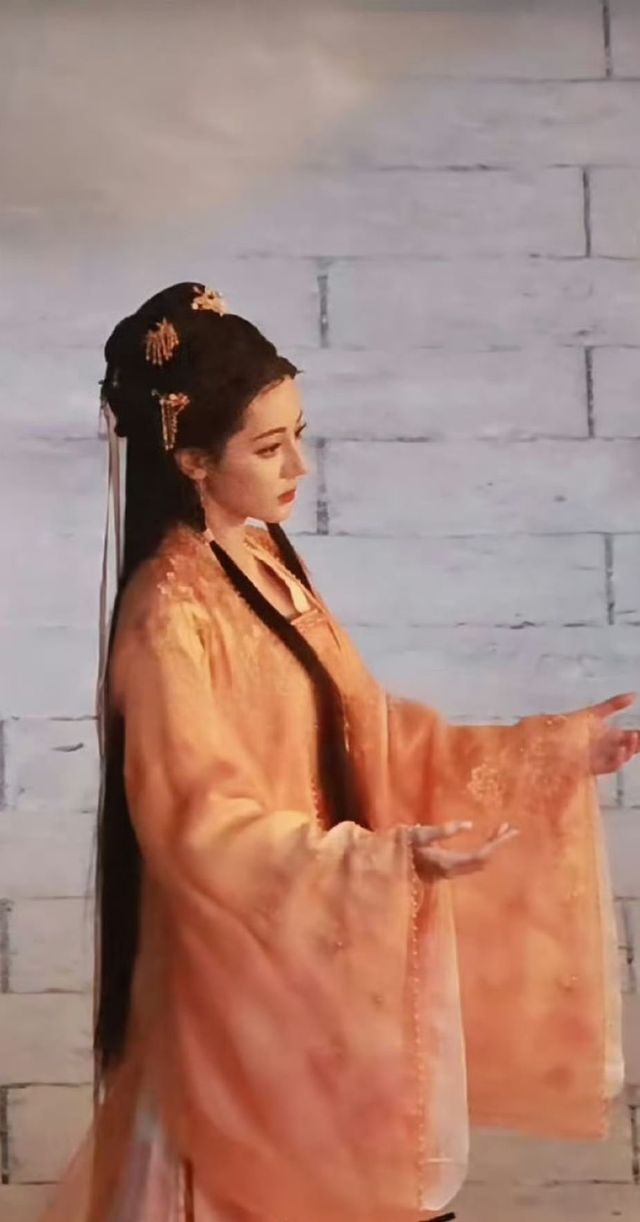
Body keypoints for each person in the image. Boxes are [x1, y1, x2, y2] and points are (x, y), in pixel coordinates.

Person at [41, 282, 639, 1222]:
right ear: (191, 458)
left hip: (312, 966)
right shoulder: (170, 613)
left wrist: (540, 752)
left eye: (300, 436)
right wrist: (372, 861)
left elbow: (365, 730)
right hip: (237, 989)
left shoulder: (262, 559)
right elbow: (197, 825)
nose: (300, 467)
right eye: (269, 448)